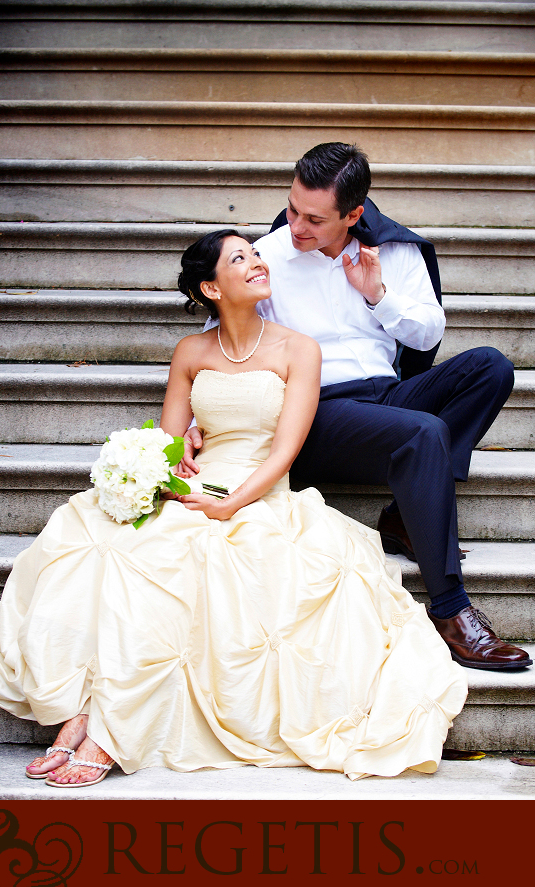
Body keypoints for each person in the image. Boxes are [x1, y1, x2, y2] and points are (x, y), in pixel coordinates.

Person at [0, 230, 467, 787]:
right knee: (111, 548)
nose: (259, 262)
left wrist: (232, 503)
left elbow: (286, 449)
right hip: (198, 486)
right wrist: (160, 472)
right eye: (242, 258)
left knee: (206, 556)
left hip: (258, 489)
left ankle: (109, 733)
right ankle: (84, 712)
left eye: (257, 254)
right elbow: (168, 441)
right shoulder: (192, 352)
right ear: (212, 287)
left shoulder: (297, 349)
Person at [183, 142, 531, 673]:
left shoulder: (395, 252)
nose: (295, 225)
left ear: (354, 214)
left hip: (386, 395)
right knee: (423, 434)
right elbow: (223, 339)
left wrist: (378, 296)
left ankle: (405, 518)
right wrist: (195, 419)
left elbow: (429, 330)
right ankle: (451, 610)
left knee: (490, 367)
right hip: (314, 412)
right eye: (293, 208)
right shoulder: (271, 256)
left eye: (314, 219)